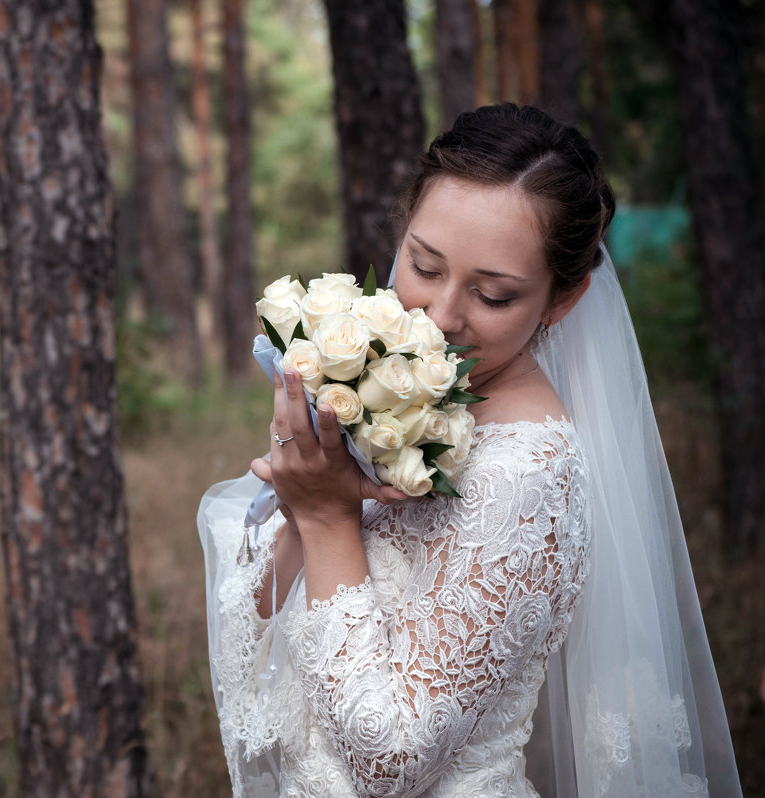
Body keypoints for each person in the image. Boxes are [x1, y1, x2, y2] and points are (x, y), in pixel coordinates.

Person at [198, 104, 741, 797]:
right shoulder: (385, 387)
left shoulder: (525, 476)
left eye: (492, 294)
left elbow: (389, 764)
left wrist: (330, 517)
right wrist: (307, 483)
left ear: (562, 300)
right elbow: (270, 611)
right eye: (423, 265)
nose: (440, 315)